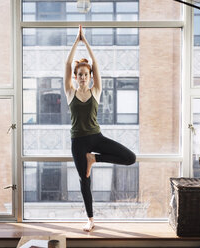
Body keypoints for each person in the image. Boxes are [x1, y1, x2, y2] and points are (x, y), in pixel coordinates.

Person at [64, 25, 136, 232]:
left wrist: (85, 41)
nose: (83, 77)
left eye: (86, 74)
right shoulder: (70, 93)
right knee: (84, 181)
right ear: (75, 77)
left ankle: (94, 158)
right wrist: (75, 42)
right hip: (78, 141)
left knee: (130, 157)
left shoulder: (96, 90)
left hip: (96, 138)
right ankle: (91, 219)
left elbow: (95, 64)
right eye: (80, 74)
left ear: (90, 76)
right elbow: (68, 63)